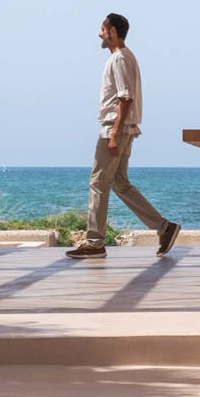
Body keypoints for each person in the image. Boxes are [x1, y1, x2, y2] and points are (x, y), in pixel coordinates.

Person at [68, 13, 182, 259]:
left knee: (98, 183)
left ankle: (95, 242)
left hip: (115, 128)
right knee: (119, 182)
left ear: (113, 32)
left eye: (102, 29)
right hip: (123, 129)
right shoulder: (123, 57)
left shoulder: (120, 58)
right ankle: (165, 228)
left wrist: (114, 134)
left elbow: (125, 97)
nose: (99, 33)